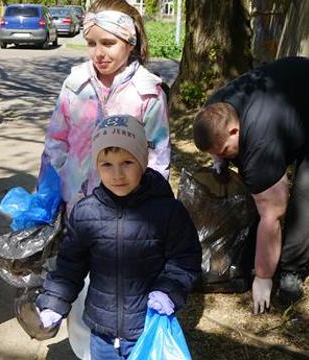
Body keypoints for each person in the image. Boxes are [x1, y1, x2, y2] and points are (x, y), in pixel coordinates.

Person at [192, 56, 309, 314]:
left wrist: (263, 276)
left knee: (307, 189)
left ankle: (292, 269)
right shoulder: (215, 108)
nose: (223, 155)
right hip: (298, 99)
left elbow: (272, 215)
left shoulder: (260, 142)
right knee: (257, 181)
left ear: (235, 131)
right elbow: (221, 143)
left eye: (224, 149)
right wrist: (220, 159)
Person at [35, 115, 202, 359]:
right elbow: (70, 266)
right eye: (107, 165)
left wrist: (168, 290)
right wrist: (54, 302)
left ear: (143, 162)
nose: (117, 174)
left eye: (127, 162)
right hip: (101, 333)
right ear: (96, 165)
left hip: (146, 329)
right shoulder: (85, 213)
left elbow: (184, 258)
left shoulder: (167, 212)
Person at [40, 0, 170, 214]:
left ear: (131, 42)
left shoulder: (147, 92)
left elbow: (158, 157)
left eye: (108, 43)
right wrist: (49, 191)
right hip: (74, 204)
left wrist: (149, 208)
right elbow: (55, 141)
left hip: (127, 212)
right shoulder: (75, 84)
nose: (98, 53)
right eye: (92, 43)